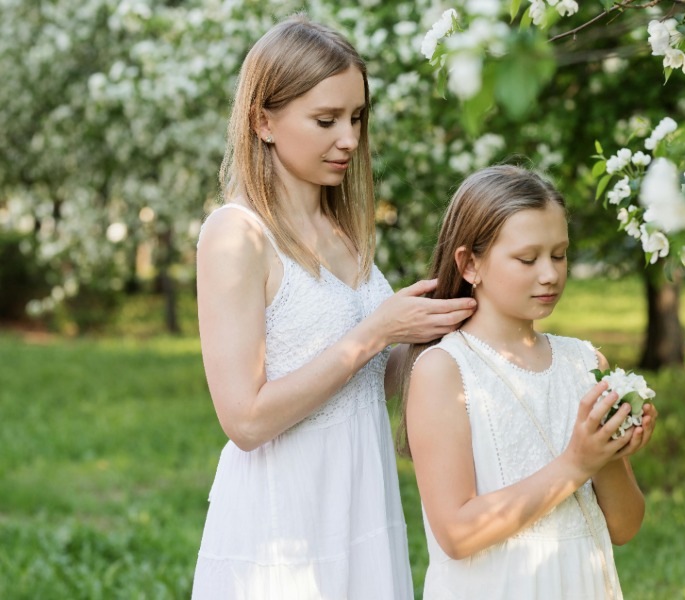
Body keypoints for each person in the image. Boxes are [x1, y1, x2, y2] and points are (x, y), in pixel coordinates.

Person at [191, 14, 475, 599]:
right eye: (325, 120)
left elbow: (371, 381)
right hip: (283, 520)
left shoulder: (344, 233)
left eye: (356, 118)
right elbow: (245, 421)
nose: (348, 138)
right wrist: (375, 332)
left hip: (361, 503)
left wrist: (442, 327)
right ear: (263, 120)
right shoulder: (236, 235)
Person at [402, 165, 658, 600]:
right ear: (470, 264)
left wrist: (607, 452)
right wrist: (576, 463)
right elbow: (456, 533)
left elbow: (625, 525)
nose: (550, 274)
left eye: (559, 255)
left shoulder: (584, 362)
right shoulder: (445, 369)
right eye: (527, 259)